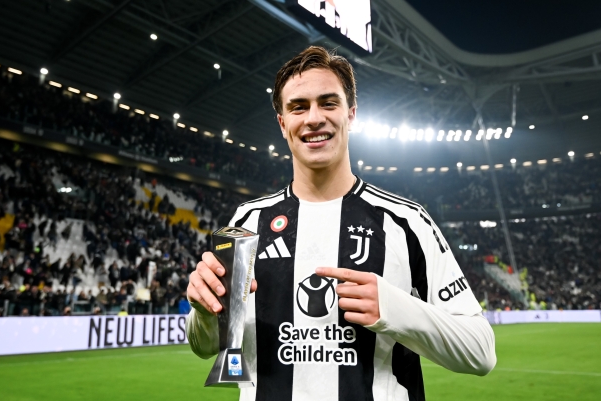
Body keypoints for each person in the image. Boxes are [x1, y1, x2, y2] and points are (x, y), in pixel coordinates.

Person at [186, 46, 496, 401]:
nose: (314, 117)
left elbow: (481, 350)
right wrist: (203, 311)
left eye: (328, 103)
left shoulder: (406, 222)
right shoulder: (245, 224)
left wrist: (394, 308)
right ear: (282, 122)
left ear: (351, 114)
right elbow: (208, 345)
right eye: (298, 106)